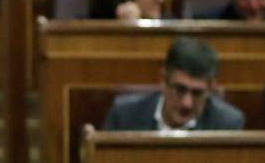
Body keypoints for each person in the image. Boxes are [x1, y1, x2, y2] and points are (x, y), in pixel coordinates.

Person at [101, 37, 245, 132]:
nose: (186, 104)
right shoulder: (124, 116)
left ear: (211, 87)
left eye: (197, 93)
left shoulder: (227, 124)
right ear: (163, 80)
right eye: (179, 89)